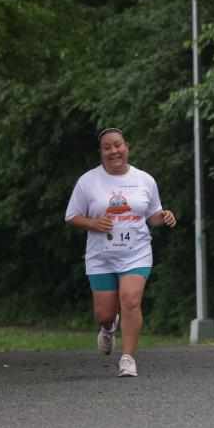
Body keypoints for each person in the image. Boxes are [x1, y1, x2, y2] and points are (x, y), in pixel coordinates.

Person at [64, 127, 177, 377]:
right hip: (101, 255)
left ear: (127, 147)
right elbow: (71, 216)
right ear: (101, 152)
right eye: (107, 148)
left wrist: (164, 216)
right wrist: (93, 223)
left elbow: (153, 216)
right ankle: (108, 327)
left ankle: (127, 359)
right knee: (104, 314)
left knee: (131, 299)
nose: (113, 151)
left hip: (136, 252)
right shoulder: (88, 181)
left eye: (117, 145)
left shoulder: (144, 179)